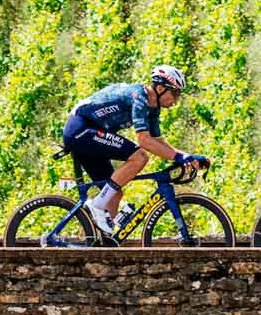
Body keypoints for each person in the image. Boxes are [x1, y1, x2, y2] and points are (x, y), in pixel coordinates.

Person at [64, 66, 206, 236]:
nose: (176, 99)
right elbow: (144, 140)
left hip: (90, 133)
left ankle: (102, 242)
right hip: (81, 130)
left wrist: (186, 156)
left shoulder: (153, 108)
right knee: (139, 157)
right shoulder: (139, 98)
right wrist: (179, 157)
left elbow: (158, 141)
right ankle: (96, 205)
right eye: (175, 93)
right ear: (160, 89)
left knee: (114, 193)